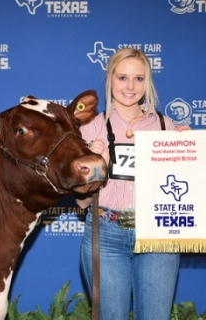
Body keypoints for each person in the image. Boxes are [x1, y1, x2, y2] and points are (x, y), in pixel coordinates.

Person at [76, 48, 190, 320]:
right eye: (122, 77)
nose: (130, 86)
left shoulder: (166, 126)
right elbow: (81, 202)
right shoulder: (90, 127)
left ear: (147, 83)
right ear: (110, 80)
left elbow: (184, 190)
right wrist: (94, 169)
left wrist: (189, 153)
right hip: (105, 234)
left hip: (157, 237)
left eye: (139, 79)